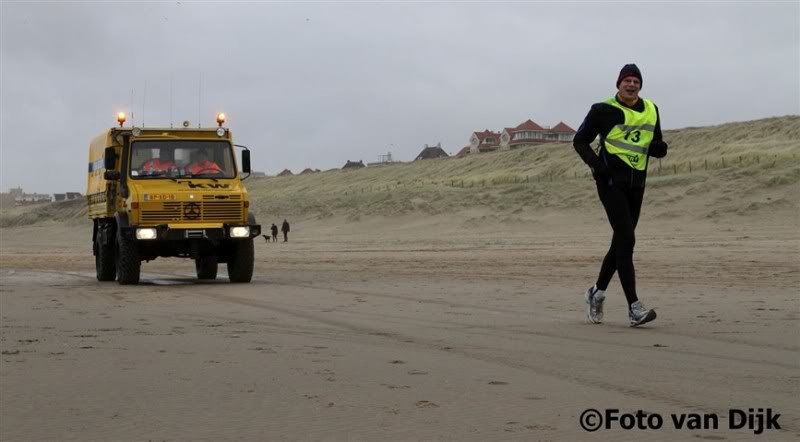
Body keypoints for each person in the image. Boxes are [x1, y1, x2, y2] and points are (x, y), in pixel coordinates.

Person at [573, 63, 668, 327]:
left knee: (621, 242)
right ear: (618, 84)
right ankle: (634, 307)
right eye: (626, 80)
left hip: (637, 183)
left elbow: (652, 142)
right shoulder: (602, 110)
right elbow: (579, 140)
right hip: (611, 182)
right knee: (627, 239)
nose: (631, 84)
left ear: (640, 85)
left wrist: (659, 149)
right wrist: (597, 165)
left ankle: (597, 292)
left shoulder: (651, 109)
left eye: (636, 80)